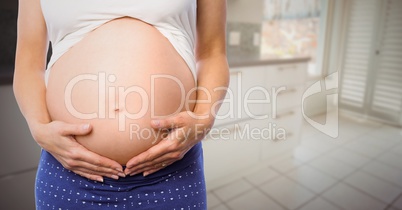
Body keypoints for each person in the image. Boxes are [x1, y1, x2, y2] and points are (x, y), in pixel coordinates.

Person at [13, 0, 229, 209]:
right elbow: (28, 64)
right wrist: (38, 126)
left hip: (171, 170)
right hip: (69, 171)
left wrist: (203, 118)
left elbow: (212, 54)